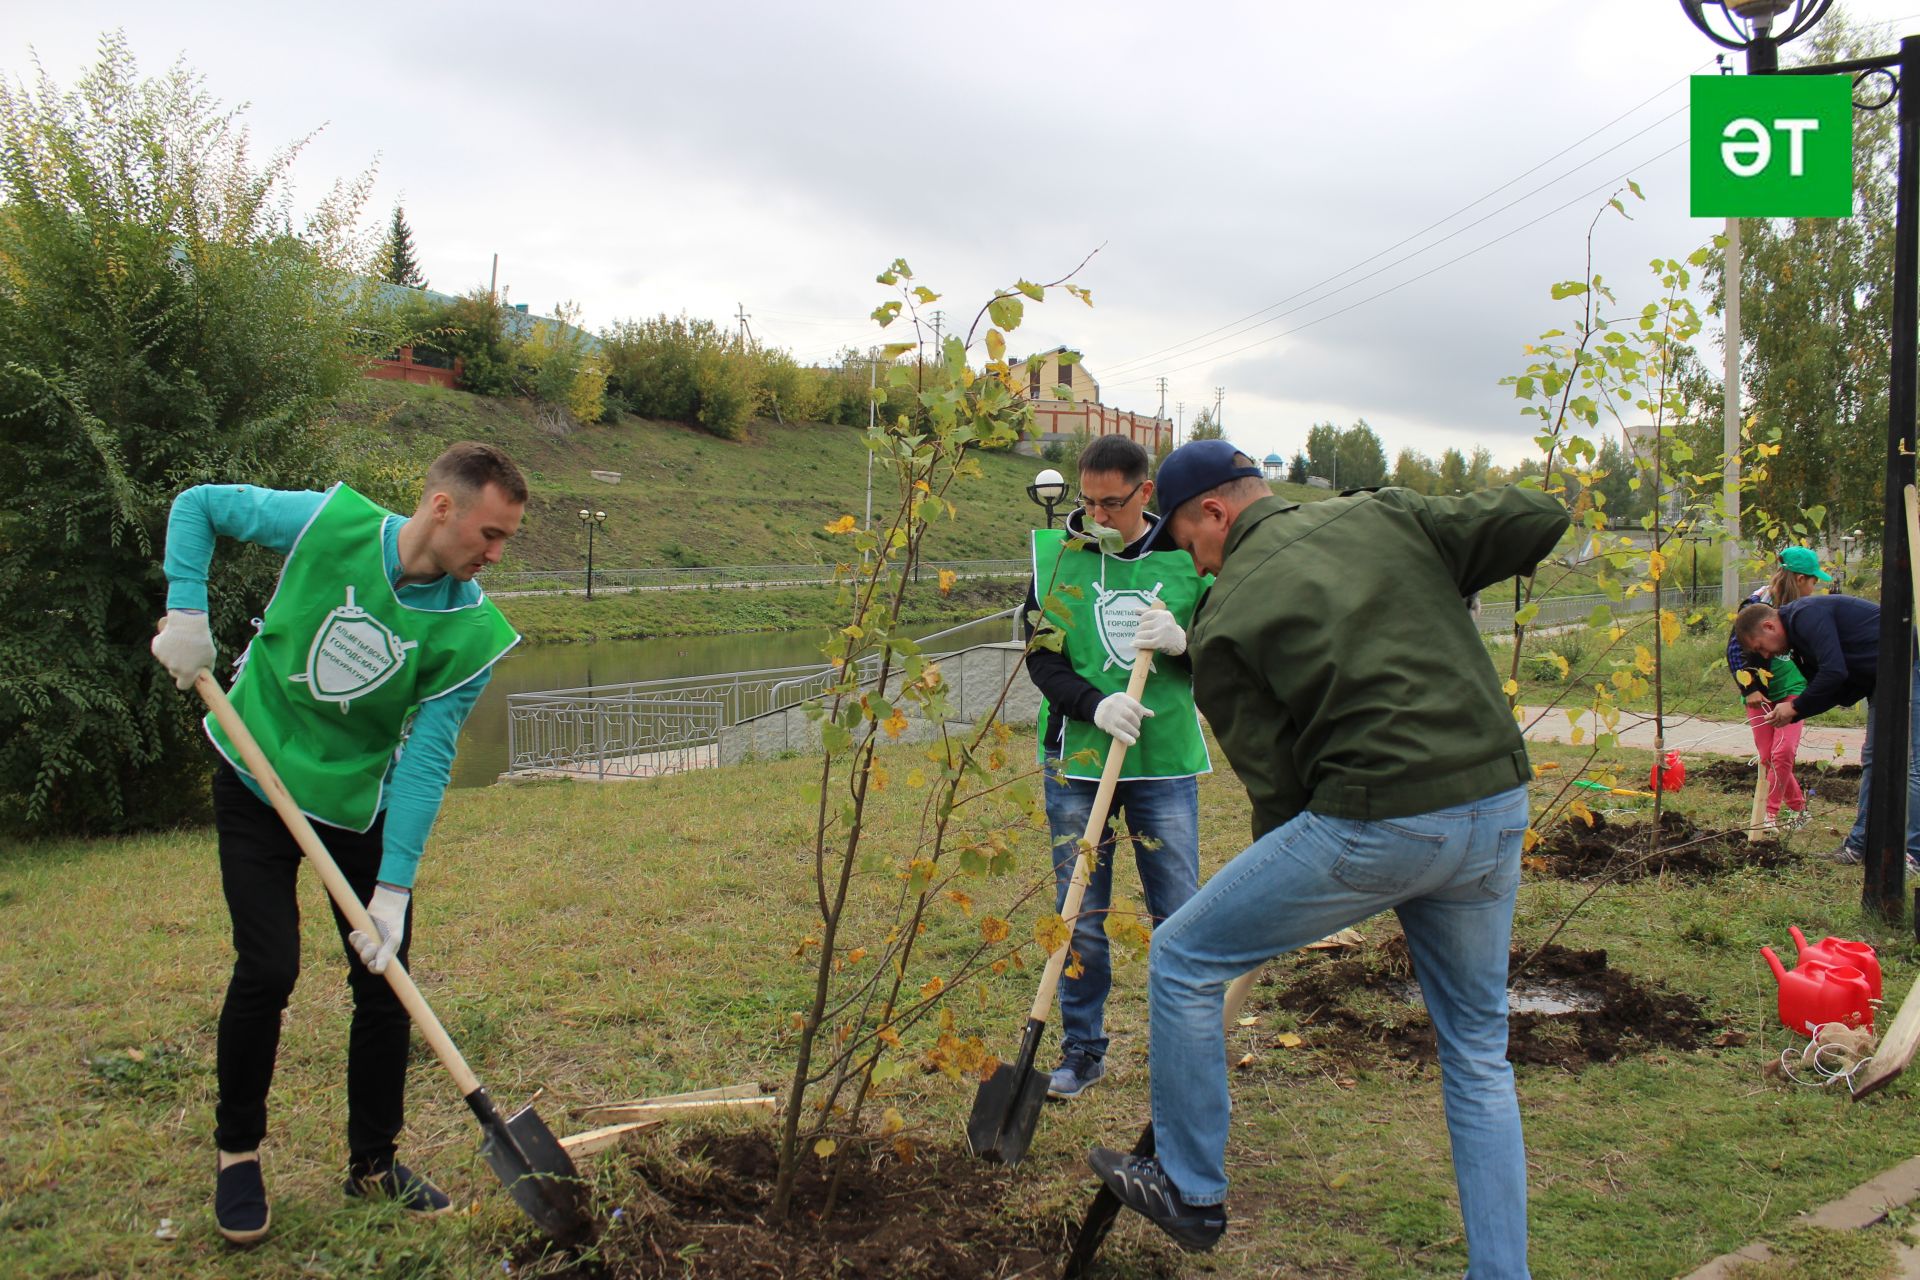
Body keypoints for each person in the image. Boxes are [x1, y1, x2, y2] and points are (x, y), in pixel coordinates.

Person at [1087, 440, 1567, 1278]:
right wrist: (1430, 553)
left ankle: (1191, 1189)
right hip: (1493, 807)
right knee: (1477, 1055)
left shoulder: (1226, 614)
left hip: (1378, 820)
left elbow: (1277, 793)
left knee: (1185, 954)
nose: (1192, 560)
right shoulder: (1387, 513)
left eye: (1190, 540)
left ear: (1217, 513)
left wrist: (1269, 906)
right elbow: (1538, 514)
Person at [148, 443, 526, 1244]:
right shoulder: (332, 522)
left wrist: (394, 890)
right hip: (255, 774)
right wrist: (187, 611)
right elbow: (199, 504)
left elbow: (427, 756)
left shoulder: (470, 629)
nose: (495, 555)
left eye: (506, 541)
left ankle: (373, 1165)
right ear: (441, 507)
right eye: (490, 534)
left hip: (359, 804)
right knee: (268, 967)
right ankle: (238, 1156)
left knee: (385, 982)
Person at [1021, 434, 1210, 1101]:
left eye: (1111, 502)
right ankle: (1082, 1051)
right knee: (1080, 915)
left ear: (1144, 494)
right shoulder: (1060, 560)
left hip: (1162, 765)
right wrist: (1094, 705)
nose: (1096, 515)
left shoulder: (1186, 559)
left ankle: (1186, 1052)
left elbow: (1227, 651)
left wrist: (1189, 644)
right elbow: (1042, 660)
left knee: (1178, 916)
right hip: (1078, 760)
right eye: (1087, 500)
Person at [1735, 592, 1920, 870]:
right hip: (1880, 678)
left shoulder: (1806, 615)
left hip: (1908, 663)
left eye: (1761, 647)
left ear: (1769, 626)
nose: (1766, 655)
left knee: (1911, 761)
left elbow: (1834, 672)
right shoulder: (1798, 647)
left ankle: (1914, 853)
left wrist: (1795, 708)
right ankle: (1860, 845)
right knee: (1873, 758)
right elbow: (1833, 690)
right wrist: (1794, 712)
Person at [1725, 549, 1830, 831]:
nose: (1814, 588)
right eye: (1812, 581)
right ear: (1799, 578)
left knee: (1783, 754)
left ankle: (1769, 815)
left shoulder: (1803, 611)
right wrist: (1749, 689)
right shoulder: (1757, 605)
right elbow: (1735, 649)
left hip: (1793, 690)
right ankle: (1798, 808)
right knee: (1768, 757)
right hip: (1760, 694)